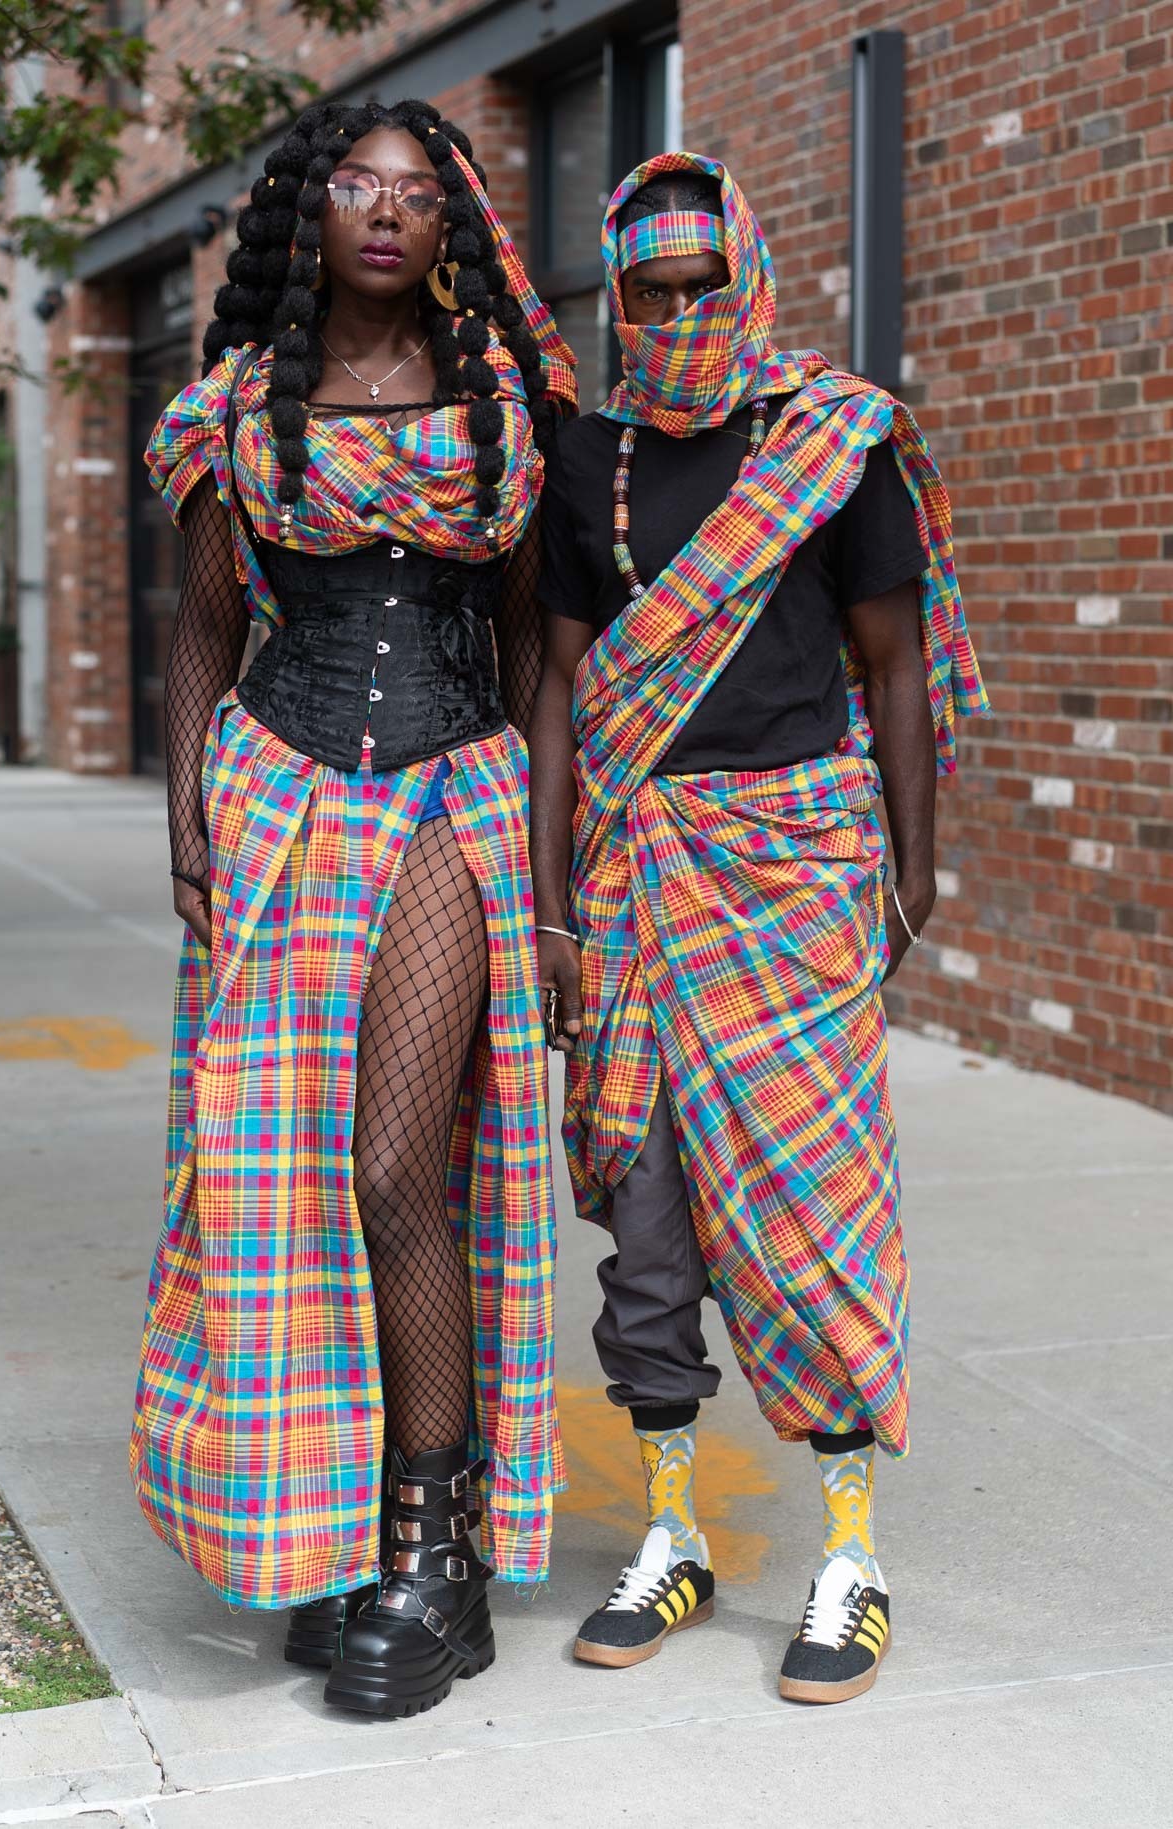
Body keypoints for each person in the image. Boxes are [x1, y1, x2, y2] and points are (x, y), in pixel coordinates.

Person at [133, 97, 576, 1720]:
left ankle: (432, 1550)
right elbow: (200, 631)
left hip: (455, 794)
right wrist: (189, 808)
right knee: (284, 1183)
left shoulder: (508, 409)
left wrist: (546, 874)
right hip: (280, 790)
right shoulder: (239, 413)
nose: (386, 214)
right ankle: (337, 1531)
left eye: (416, 193)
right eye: (356, 189)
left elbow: (538, 655)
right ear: (307, 214)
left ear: (451, 221)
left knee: (402, 1162)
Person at [530, 152, 988, 1704]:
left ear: (749, 276)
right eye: (646, 293)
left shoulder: (829, 444)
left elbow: (892, 659)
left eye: (698, 285)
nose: (674, 316)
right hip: (637, 871)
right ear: (617, 298)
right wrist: (548, 907)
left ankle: (851, 1559)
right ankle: (674, 1532)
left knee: (810, 1220)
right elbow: (559, 692)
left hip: (796, 864)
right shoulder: (585, 457)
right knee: (648, 1240)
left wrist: (912, 864)